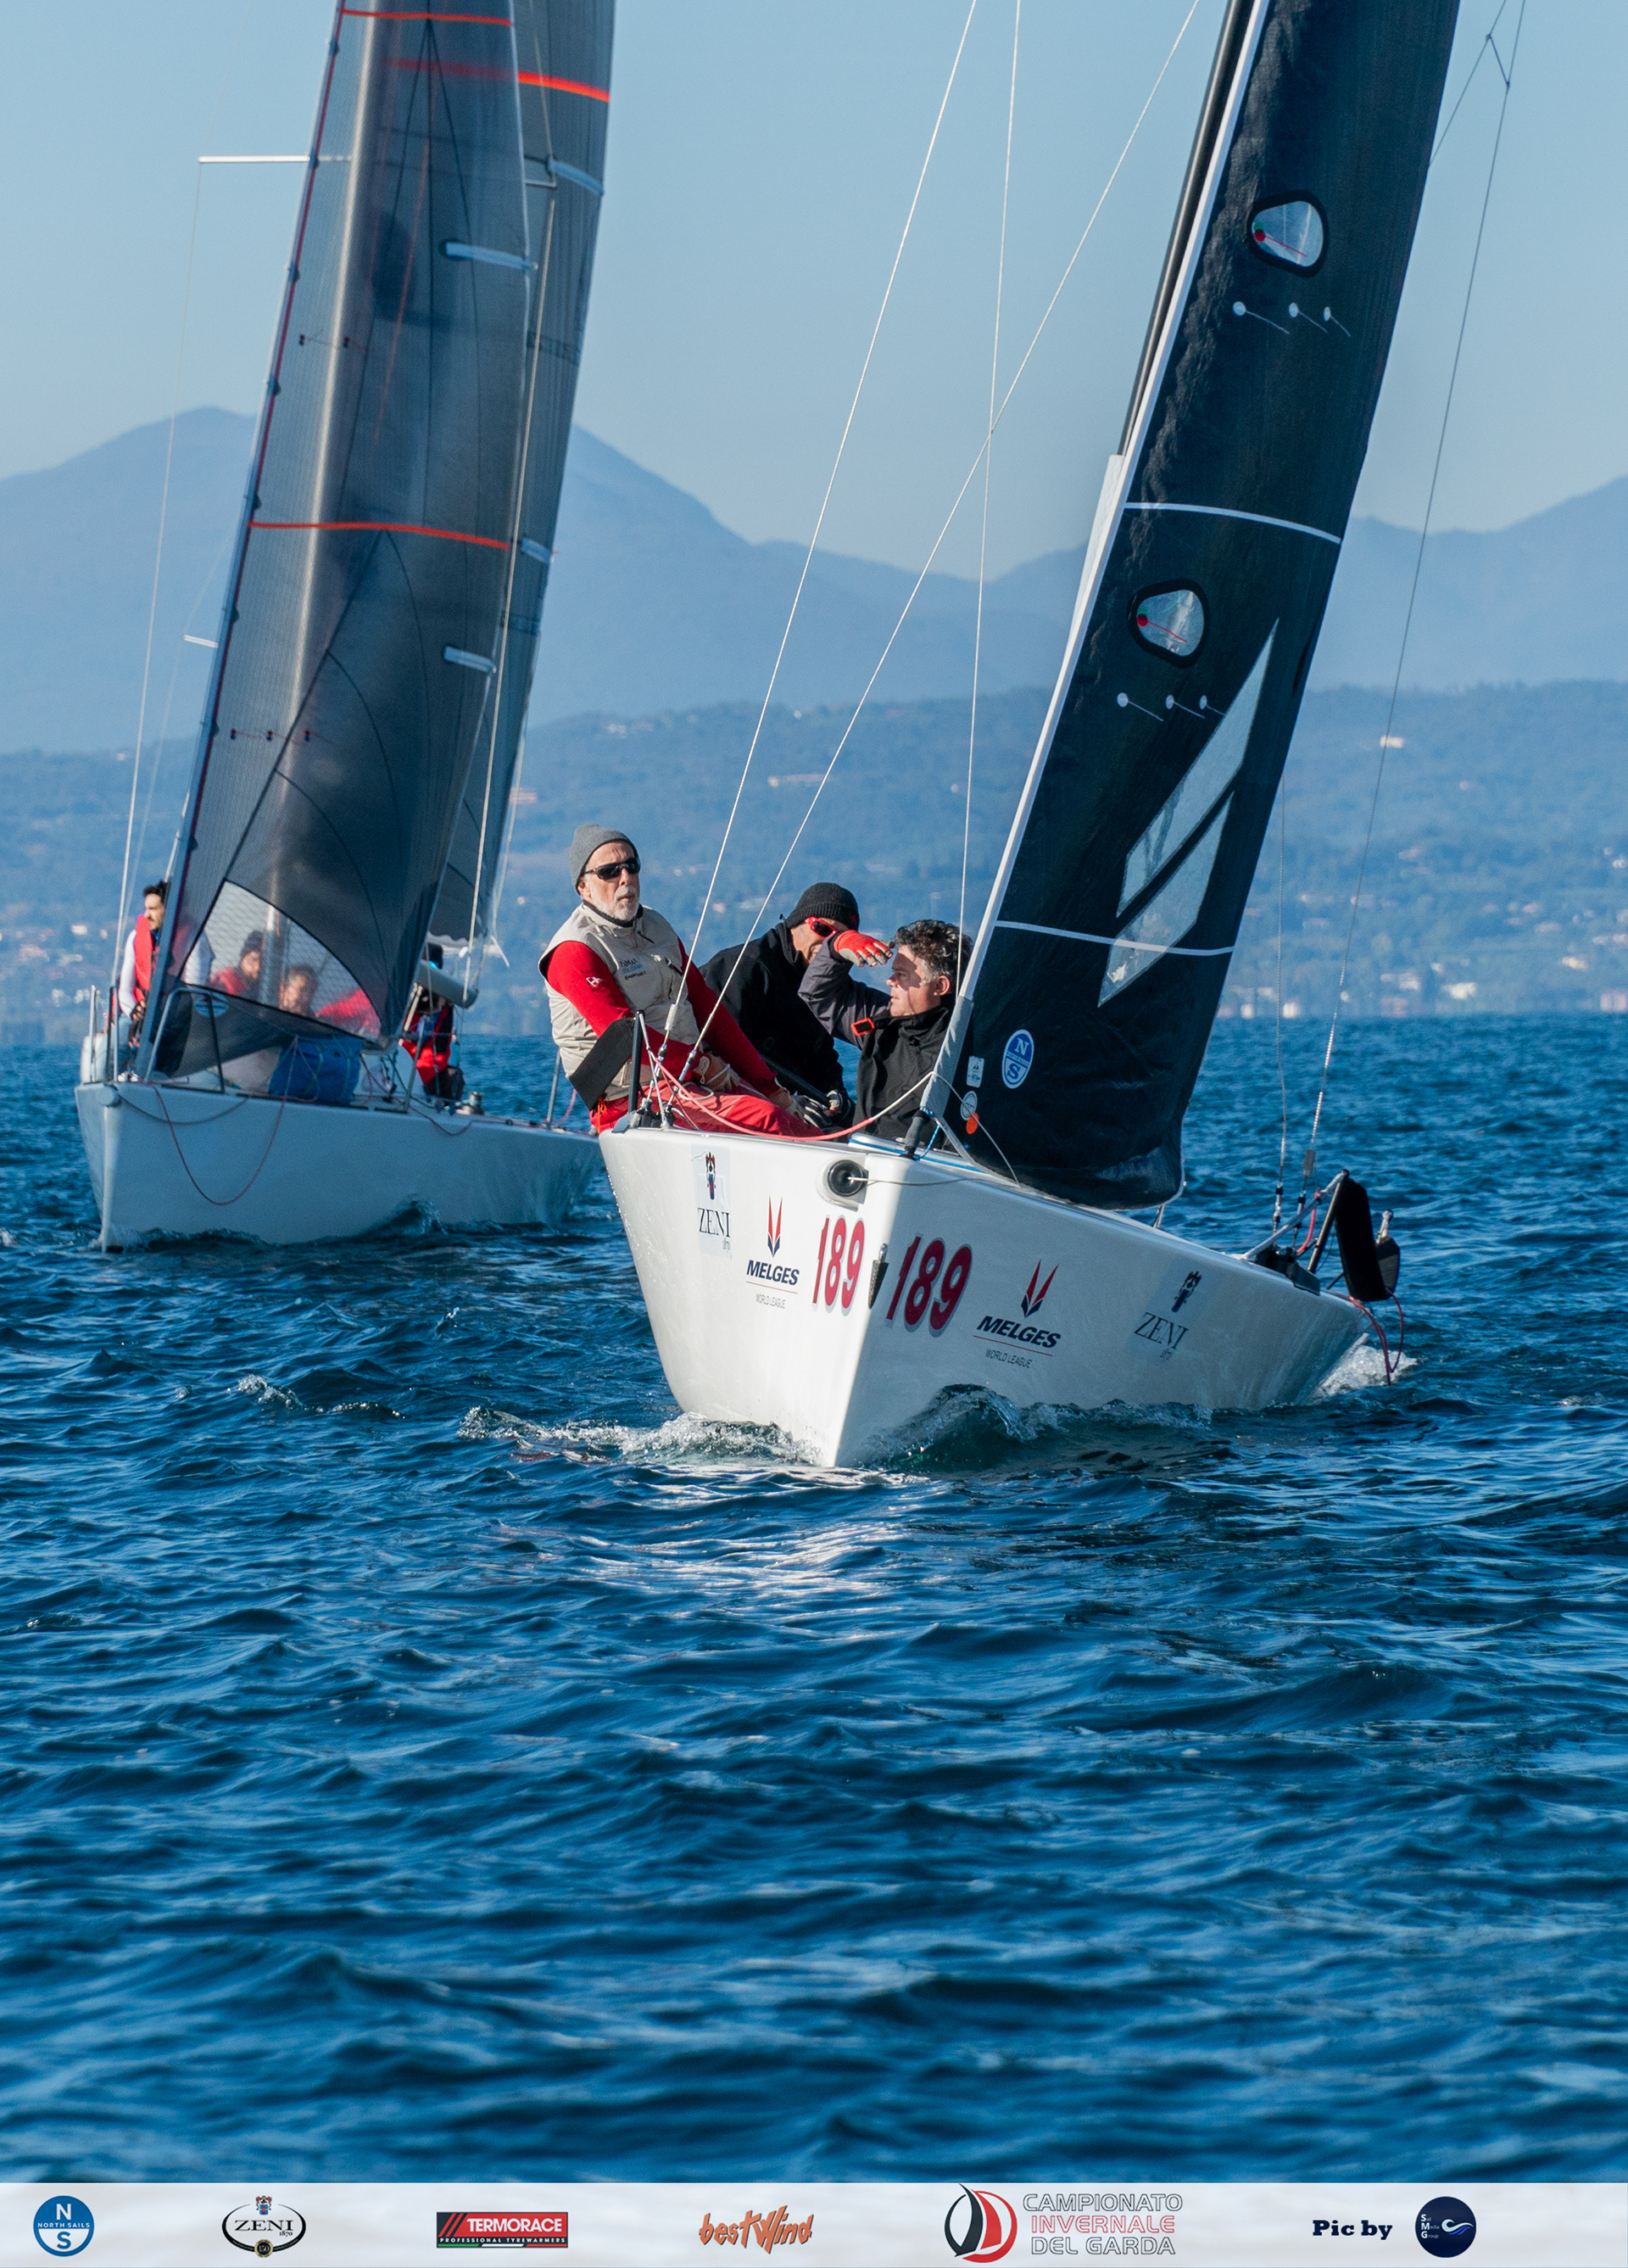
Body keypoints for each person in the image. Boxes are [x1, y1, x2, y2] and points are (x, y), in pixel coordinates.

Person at [541, 824, 817, 1139]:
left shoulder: (658, 928)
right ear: (584, 887)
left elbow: (705, 1006)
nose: (625, 878)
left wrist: (768, 1085)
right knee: (767, 1119)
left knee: (800, 1121)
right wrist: (701, 1065)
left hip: (688, 1081)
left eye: (632, 866)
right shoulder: (574, 951)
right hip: (629, 1100)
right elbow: (622, 1037)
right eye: (609, 871)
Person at [800, 917, 970, 1142]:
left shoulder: (968, 1047)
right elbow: (817, 994)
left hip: (923, 1170)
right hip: (861, 1157)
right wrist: (835, 949)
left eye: (902, 974)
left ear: (940, 986)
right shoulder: (882, 1022)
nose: (890, 981)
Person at [701, 883, 859, 1124]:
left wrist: (835, 1097)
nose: (829, 944)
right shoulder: (746, 967)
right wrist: (784, 1103)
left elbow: (820, 1058)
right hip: (720, 1105)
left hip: (777, 1107)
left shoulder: (822, 988)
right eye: (823, 929)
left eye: (840, 940)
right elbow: (710, 1051)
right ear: (797, 923)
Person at [116, 878, 212, 1065]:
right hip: (140, 1015)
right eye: (146, 909)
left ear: (171, 910)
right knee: (118, 1035)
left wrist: (159, 1017)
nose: (147, 915)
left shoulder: (195, 938)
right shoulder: (136, 938)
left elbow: (193, 992)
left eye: (153, 909)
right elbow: (125, 990)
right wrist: (134, 1011)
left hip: (177, 1019)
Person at [214, 931, 264, 999]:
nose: (258, 967)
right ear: (242, 956)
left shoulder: (264, 984)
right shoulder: (224, 982)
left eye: (263, 962)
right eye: (253, 960)